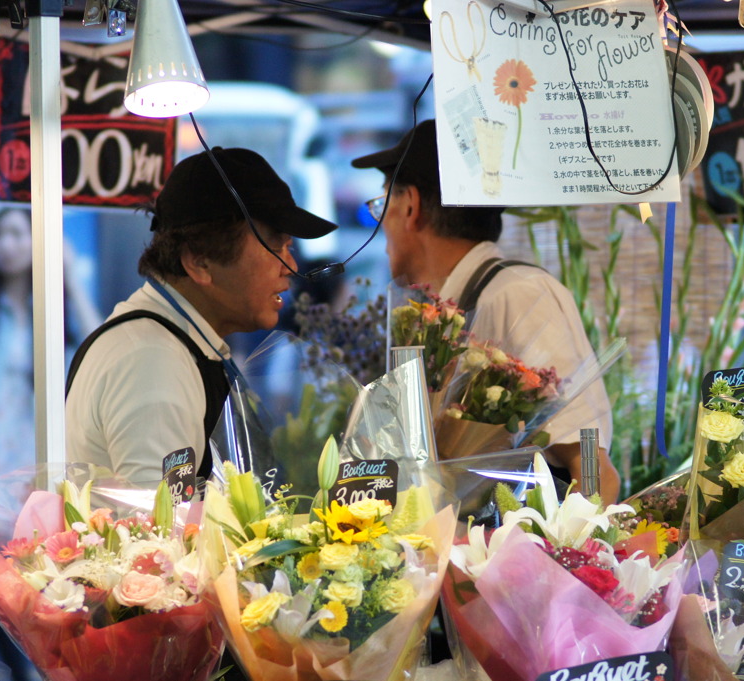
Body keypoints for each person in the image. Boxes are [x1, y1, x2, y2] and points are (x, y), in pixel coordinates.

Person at [352, 119, 621, 504]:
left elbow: (592, 467)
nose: (382, 226)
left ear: (410, 206)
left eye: (382, 204)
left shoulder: (519, 294)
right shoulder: (441, 318)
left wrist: (574, 556)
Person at [65, 147, 337, 487]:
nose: (291, 267)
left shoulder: (175, 342)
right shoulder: (152, 361)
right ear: (200, 262)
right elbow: (159, 529)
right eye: (276, 247)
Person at [0, 206, 101, 679]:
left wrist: (68, 277)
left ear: (37, 243)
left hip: (22, 452)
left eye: (16, 234)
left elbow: (92, 343)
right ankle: (23, 670)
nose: (6, 245)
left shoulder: (49, 308)